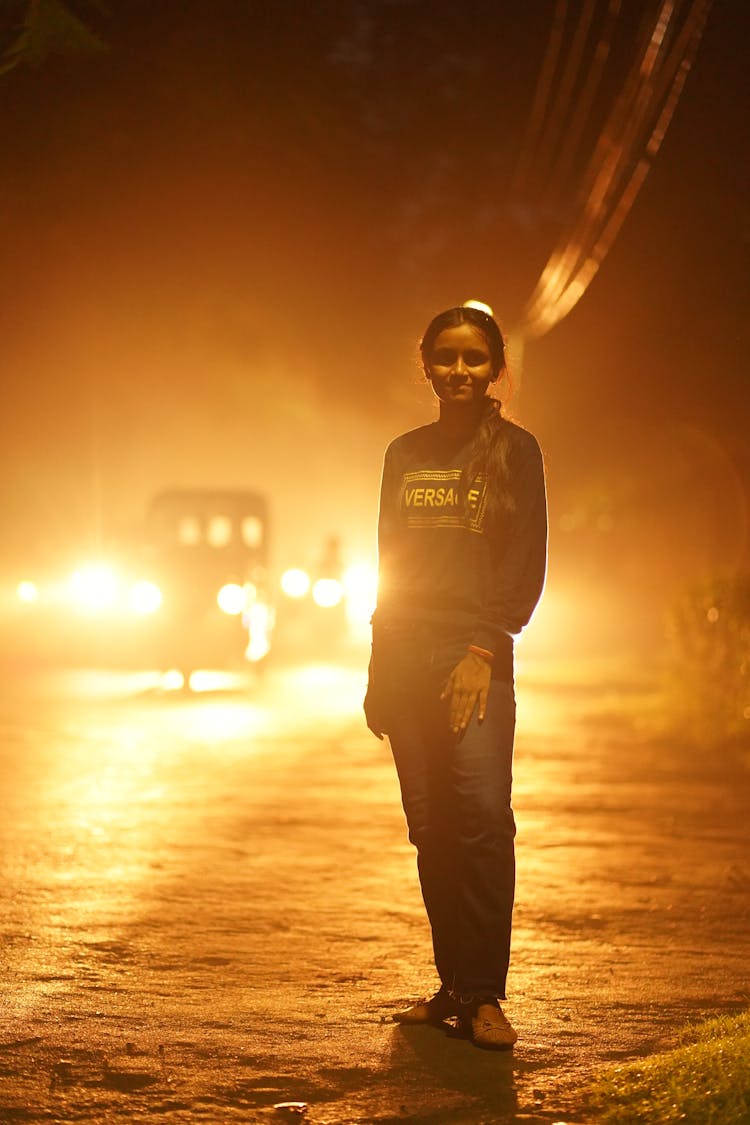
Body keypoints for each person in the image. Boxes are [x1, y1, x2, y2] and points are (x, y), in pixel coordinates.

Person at [364, 304, 547, 1050]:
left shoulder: (516, 450)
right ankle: (452, 987)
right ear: (428, 364)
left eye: (475, 358)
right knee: (431, 827)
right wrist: (378, 663)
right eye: (447, 357)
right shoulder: (403, 453)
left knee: (481, 818)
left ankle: (486, 995)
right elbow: (389, 561)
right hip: (404, 656)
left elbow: (523, 563)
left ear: (495, 366)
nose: (461, 370)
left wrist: (482, 652)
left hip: (472, 655)